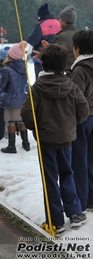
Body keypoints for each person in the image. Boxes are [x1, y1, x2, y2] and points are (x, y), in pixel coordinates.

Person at [21, 44, 89, 235]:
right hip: (66, 139)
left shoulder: (37, 89)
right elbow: (83, 110)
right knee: (67, 173)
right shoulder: (72, 86)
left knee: (50, 178)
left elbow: (27, 113)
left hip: (46, 140)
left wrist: (37, 128)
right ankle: (75, 212)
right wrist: (71, 124)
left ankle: (56, 221)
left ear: (42, 64)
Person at [0, 41, 30, 153]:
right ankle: (26, 143)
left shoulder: (7, 70)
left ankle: (11, 146)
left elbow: (2, 85)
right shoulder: (24, 68)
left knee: (11, 122)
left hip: (10, 99)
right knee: (21, 121)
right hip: (22, 98)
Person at [69, 30, 93, 214]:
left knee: (79, 161)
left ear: (77, 49)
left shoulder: (80, 70)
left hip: (83, 120)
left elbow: (74, 98)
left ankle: (81, 202)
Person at [27, 3, 61, 80]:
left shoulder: (41, 25)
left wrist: (29, 55)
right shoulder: (58, 23)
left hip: (42, 57)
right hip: (58, 57)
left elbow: (32, 40)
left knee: (41, 80)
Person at [52, 5, 78, 77]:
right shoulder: (79, 34)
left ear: (65, 22)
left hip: (65, 74)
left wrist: (46, 52)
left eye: (60, 19)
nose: (59, 21)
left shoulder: (63, 36)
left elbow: (56, 56)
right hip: (76, 73)